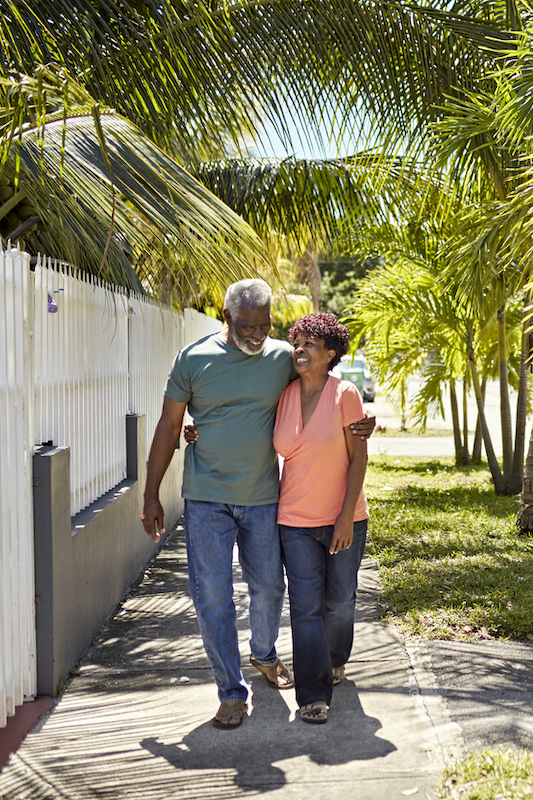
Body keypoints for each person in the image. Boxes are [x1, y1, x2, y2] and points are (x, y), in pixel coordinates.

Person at [140, 280, 374, 731]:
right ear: (227, 318)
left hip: (265, 498)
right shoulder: (192, 359)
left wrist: (364, 422)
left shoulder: (281, 359)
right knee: (212, 596)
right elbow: (170, 427)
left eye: (265, 326)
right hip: (206, 496)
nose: (257, 335)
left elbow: (325, 384)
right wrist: (151, 493)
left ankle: (264, 653)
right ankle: (231, 693)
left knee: (269, 589)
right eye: (248, 326)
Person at [274, 313, 369, 724]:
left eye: (311, 344)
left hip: (343, 518)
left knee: (340, 602)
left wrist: (345, 518)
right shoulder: (283, 394)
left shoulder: (344, 393)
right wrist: (198, 431)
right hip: (293, 519)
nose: (300, 349)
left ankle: (335, 658)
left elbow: (359, 456)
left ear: (330, 355)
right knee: (305, 607)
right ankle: (313, 693)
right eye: (297, 342)